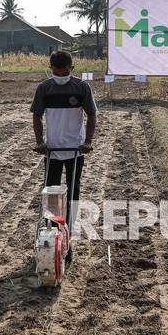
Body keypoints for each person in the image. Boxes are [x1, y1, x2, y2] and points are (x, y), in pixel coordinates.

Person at [31, 50, 97, 227]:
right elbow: (37, 116)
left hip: (76, 148)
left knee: (73, 188)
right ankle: (51, 225)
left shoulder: (82, 87)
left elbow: (91, 114)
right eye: (56, 73)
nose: (60, 76)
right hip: (52, 149)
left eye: (65, 73)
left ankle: (70, 225)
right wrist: (39, 142)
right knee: (51, 190)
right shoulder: (44, 88)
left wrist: (88, 142)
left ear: (72, 68)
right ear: (50, 69)